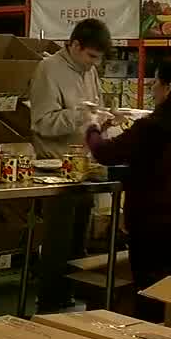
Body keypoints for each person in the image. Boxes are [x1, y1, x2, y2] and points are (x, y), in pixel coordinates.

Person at [84, 57, 171, 302]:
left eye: (155, 82)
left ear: (169, 88)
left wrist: (93, 127)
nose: (151, 88)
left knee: (153, 298)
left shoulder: (153, 127)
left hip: (157, 228)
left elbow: (105, 152)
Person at [30, 18, 109, 312]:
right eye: (91, 57)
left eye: (99, 60)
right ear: (75, 45)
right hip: (56, 170)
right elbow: (41, 122)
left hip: (84, 168)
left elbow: (94, 110)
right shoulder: (48, 70)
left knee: (79, 240)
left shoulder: (89, 72)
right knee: (58, 243)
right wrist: (80, 117)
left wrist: (103, 120)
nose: (94, 65)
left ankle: (69, 296)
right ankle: (49, 303)